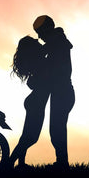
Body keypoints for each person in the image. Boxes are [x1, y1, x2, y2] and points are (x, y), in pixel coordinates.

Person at [33, 14, 75, 168]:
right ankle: (61, 162)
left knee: (57, 129)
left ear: (47, 30)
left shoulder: (57, 41)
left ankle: (62, 163)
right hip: (61, 93)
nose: (39, 37)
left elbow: (42, 54)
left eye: (40, 33)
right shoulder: (56, 41)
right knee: (56, 129)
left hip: (63, 92)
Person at [8, 35, 50, 169]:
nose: (38, 41)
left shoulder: (38, 60)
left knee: (26, 136)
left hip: (33, 101)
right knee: (31, 138)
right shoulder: (41, 61)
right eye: (35, 42)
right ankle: (9, 163)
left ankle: (20, 164)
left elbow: (32, 83)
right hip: (36, 102)